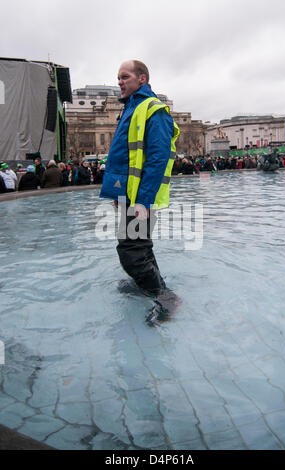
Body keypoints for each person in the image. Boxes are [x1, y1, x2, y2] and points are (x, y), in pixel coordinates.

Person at [100, 60, 180, 325]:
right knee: (140, 247)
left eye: (125, 76)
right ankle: (150, 287)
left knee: (131, 252)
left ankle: (166, 297)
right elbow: (123, 158)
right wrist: (116, 194)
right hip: (128, 195)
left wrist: (143, 201)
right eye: (118, 77)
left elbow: (158, 158)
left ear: (142, 79)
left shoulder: (153, 110)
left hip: (139, 198)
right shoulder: (129, 109)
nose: (119, 82)